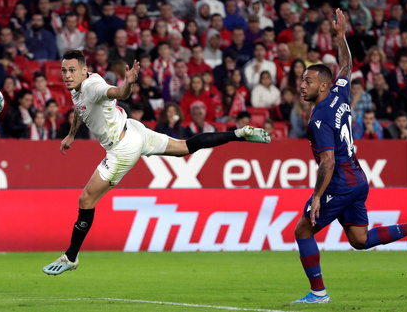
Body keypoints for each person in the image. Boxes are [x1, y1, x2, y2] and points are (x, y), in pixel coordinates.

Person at [42, 50, 271, 275]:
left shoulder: (93, 86)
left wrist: (128, 84)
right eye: (64, 70)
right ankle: (238, 134)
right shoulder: (78, 88)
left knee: (86, 199)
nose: (67, 75)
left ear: (84, 70)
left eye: (72, 70)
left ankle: (71, 257)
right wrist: (72, 134)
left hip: (122, 148)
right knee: (183, 148)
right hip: (134, 130)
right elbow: (80, 110)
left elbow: (119, 92)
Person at [291, 9, 407, 305]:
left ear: (322, 85)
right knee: (360, 240)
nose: (302, 84)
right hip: (359, 179)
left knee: (302, 230)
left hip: (340, 183)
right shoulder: (339, 93)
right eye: (302, 80)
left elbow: (327, 161)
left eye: (308, 81)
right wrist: (340, 37)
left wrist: (318, 195)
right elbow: (346, 66)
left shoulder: (319, 118)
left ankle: (318, 294)